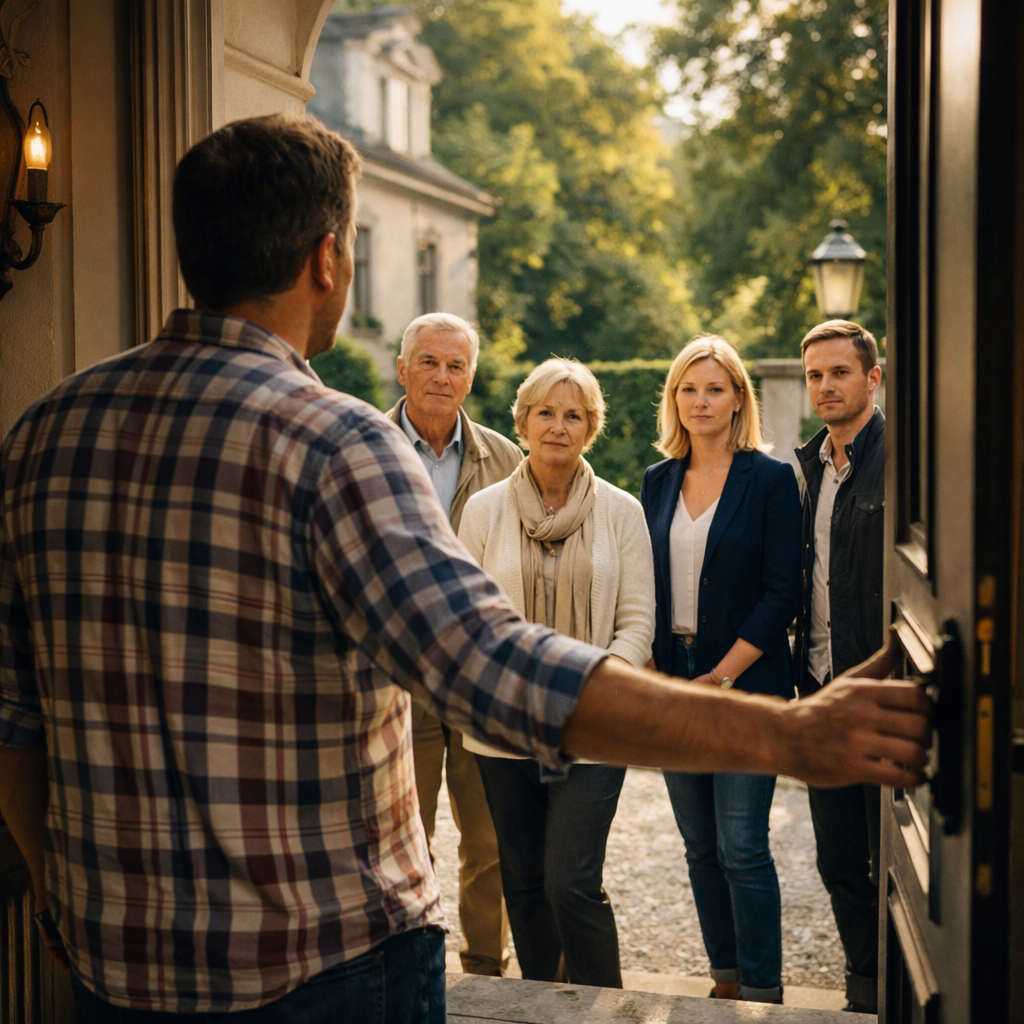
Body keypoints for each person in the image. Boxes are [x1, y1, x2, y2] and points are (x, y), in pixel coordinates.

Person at [0, 114, 931, 1024]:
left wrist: (52, 889)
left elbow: (15, 718)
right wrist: (788, 735)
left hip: (112, 962)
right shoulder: (336, 443)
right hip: (319, 964)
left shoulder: (45, 433)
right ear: (328, 258)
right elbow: (491, 665)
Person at [459, 359, 655, 988]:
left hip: (593, 725)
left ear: (590, 428)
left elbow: (637, 624)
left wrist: (590, 691)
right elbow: (468, 622)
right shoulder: (484, 511)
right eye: (545, 412)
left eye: (574, 415)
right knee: (522, 880)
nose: (558, 426)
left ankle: (603, 1009)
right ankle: (543, 1005)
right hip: (503, 723)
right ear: (523, 421)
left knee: (571, 881)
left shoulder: (622, 512)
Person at [640, 336, 801, 1005]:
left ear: (739, 398)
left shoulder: (770, 479)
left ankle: (763, 990)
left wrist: (722, 676)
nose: (700, 401)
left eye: (714, 388)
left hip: (745, 682)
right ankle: (726, 978)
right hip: (672, 677)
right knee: (700, 846)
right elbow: (643, 583)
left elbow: (782, 593)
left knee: (742, 845)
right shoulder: (657, 480)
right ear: (674, 399)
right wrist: (654, 669)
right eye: (688, 389)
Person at [385, 311, 522, 977]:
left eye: (456, 365)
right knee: (400, 836)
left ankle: (486, 968)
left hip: (478, 679)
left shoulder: (507, 459)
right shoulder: (364, 448)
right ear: (402, 369)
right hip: (395, 677)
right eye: (429, 362)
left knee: (489, 837)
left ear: (471, 377)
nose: (442, 376)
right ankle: (409, 968)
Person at [792, 319, 885, 1015]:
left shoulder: (905, 463)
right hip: (820, 688)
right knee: (838, 859)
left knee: (897, 860)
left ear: (872, 378)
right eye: (816, 375)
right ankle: (864, 985)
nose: (826, 386)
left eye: (840, 372)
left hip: (883, 693)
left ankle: (902, 993)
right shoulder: (806, 469)